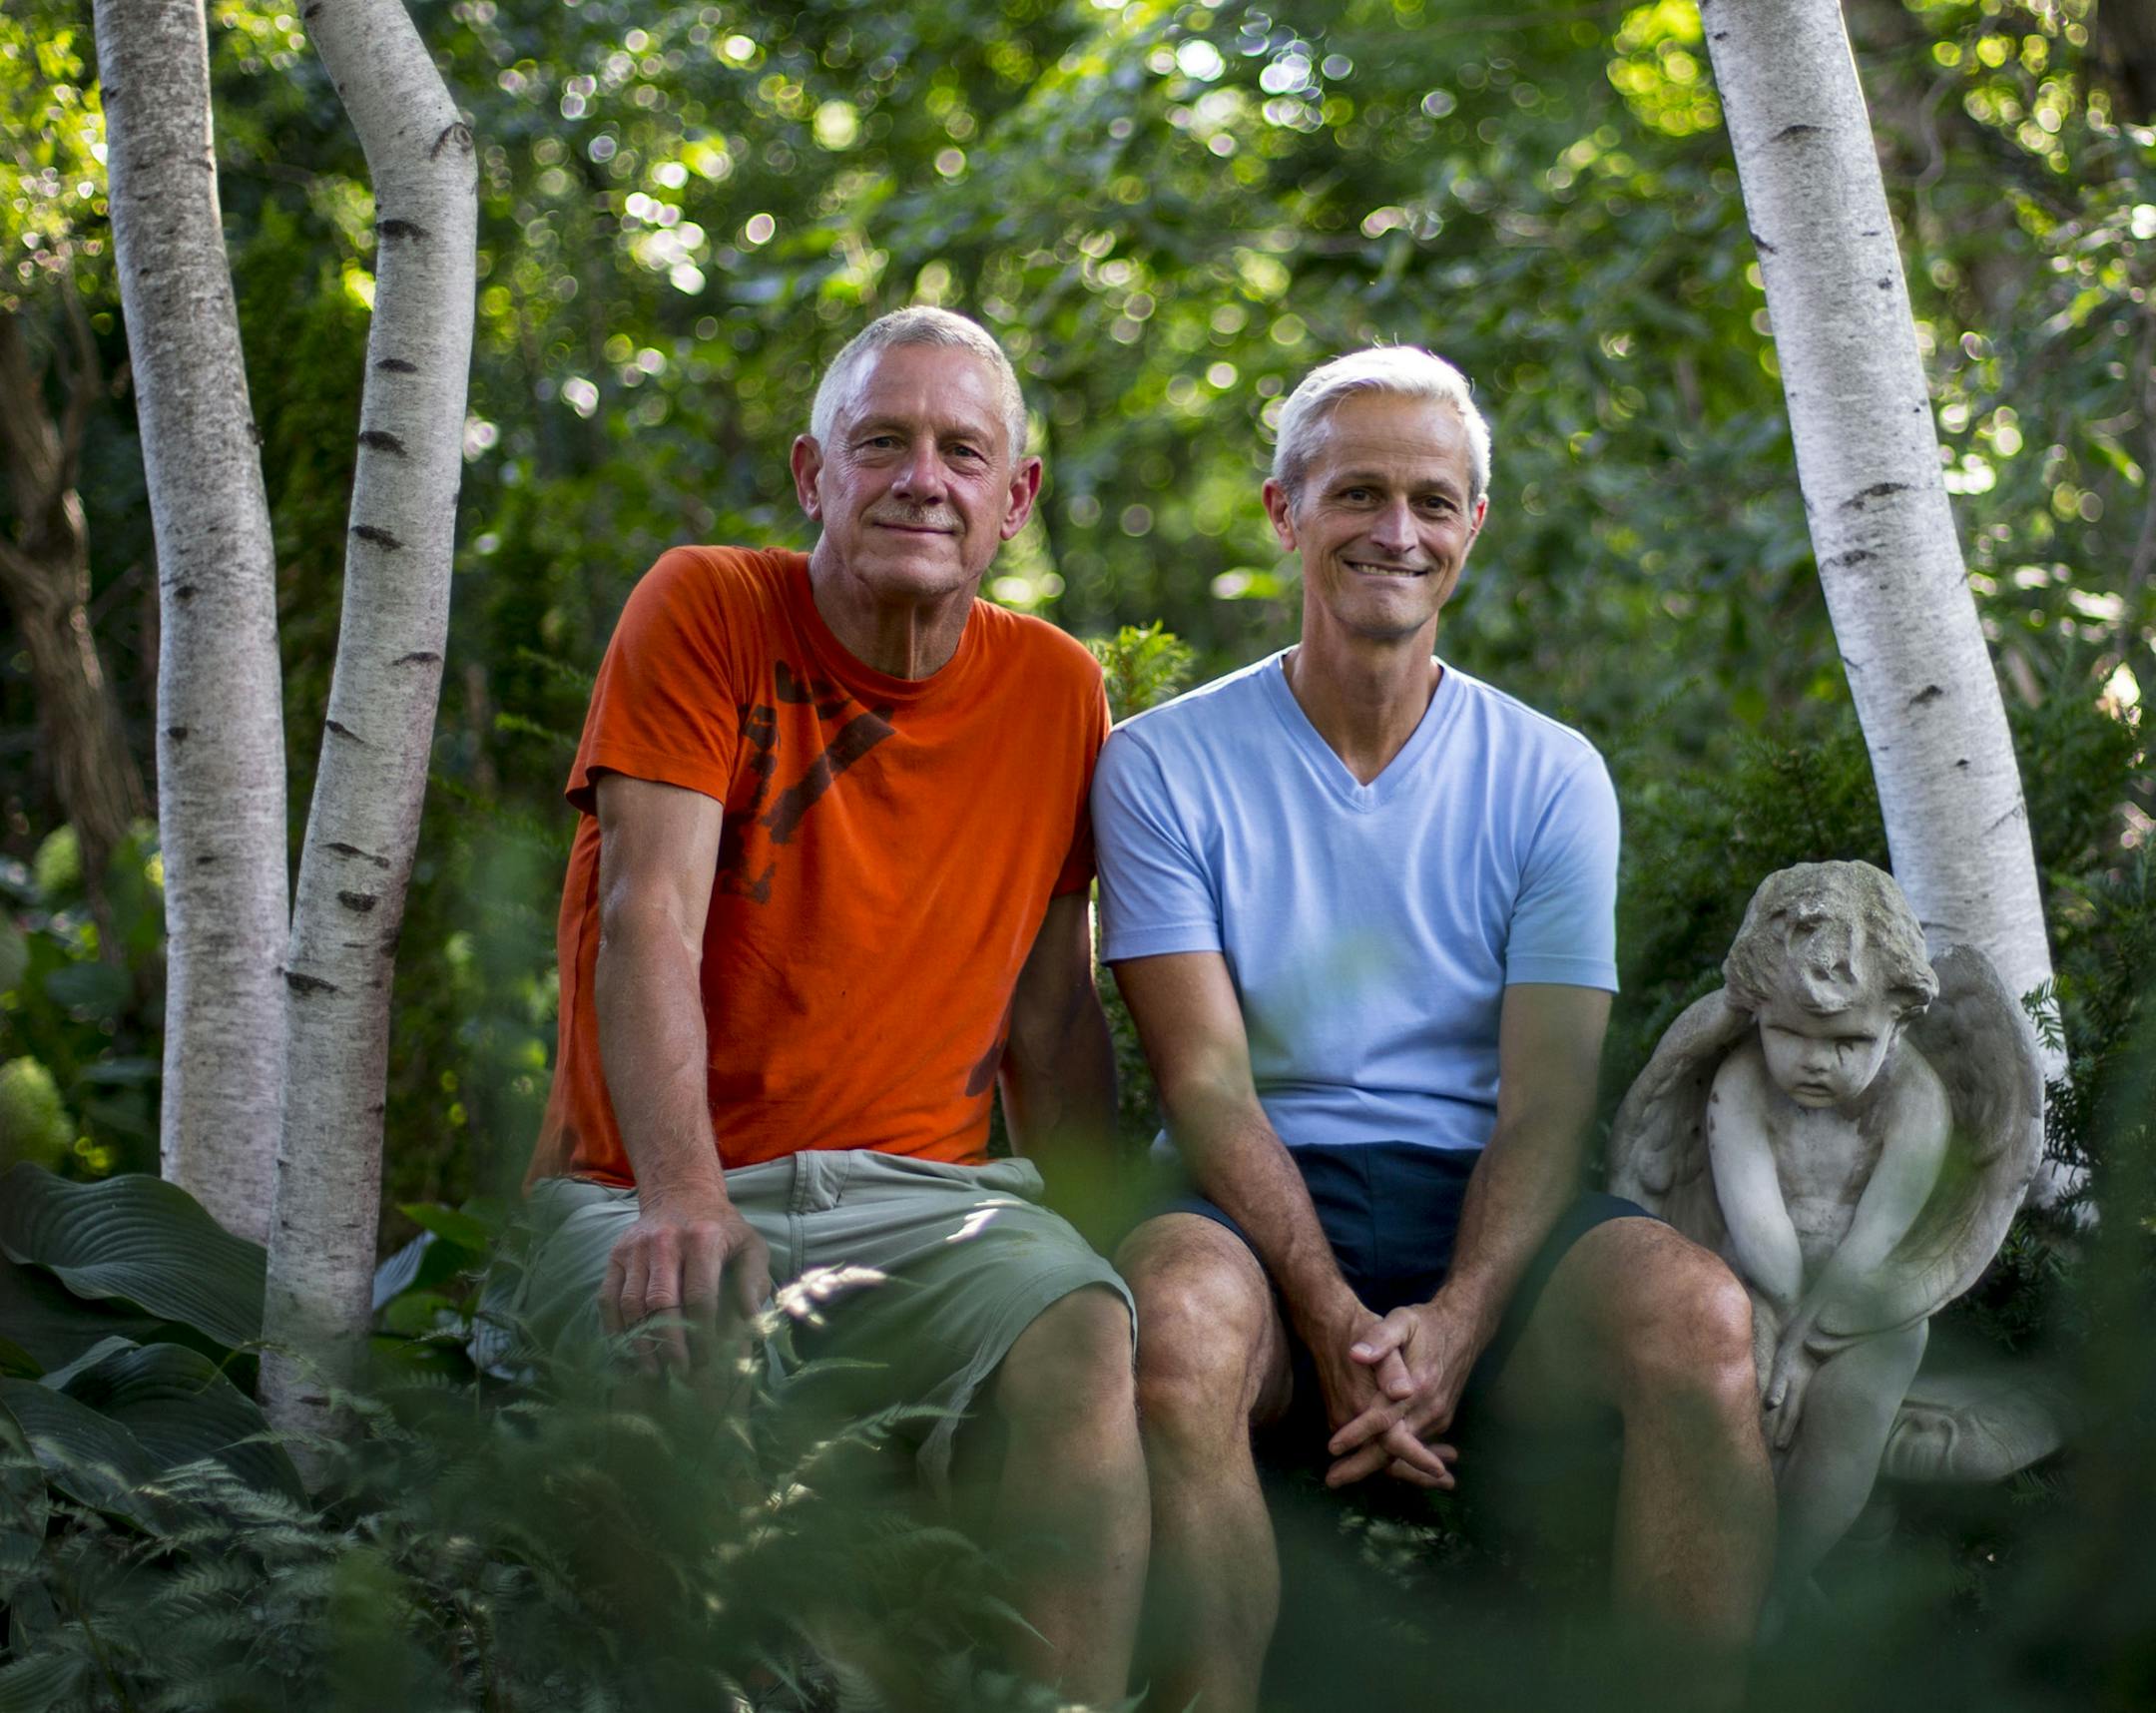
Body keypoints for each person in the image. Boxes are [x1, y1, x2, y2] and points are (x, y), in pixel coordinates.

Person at [1092, 346, 1775, 1710]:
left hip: (1488, 1211)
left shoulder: (1549, 775)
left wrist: (1455, 1327)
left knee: (1699, 1322)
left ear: (1474, 525)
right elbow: (1208, 1086)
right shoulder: (1162, 763)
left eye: (1431, 500)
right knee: (1172, 1324)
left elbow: (1545, 1101)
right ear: (1286, 512)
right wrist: (1339, 1317)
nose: (1394, 533)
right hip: (1247, 1200)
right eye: (1356, 494)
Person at [516, 305, 1147, 1704]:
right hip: (651, 1183)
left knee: (1085, 1330)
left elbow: (1054, 1018)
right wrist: (683, 1199)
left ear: (1016, 498)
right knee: (668, 1364)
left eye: (963, 452)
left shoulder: (1056, 690)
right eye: (884, 443)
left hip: (932, 1203)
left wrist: (1104, 1232)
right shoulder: (707, 608)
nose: (924, 478)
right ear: (815, 474)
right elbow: (649, 916)